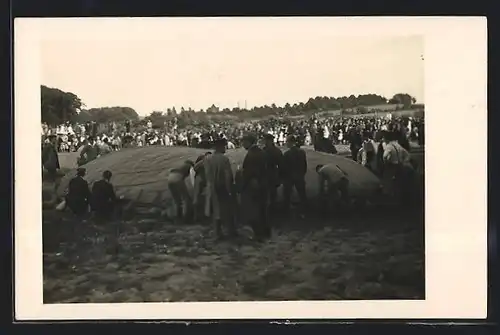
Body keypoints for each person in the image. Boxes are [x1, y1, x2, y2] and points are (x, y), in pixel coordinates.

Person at [204, 138, 236, 239]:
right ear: (220, 147)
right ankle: (229, 231)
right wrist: (229, 189)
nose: (225, 148)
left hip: (211, 185)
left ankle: (217, 232)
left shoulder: (208, 158)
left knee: (215, 209)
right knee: (226, 209)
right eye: (224, 146)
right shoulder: (224, 159)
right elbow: (227, 175)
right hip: (221, 186)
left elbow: (206, 174)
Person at [240, 133, 270, 240]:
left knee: (255, 210)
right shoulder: (261, 152)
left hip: (254, 185)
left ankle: (259, 233)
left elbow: (249, 172)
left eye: (244, 142)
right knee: (263, 208)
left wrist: (243, 185)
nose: (242, 144)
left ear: (249, 142)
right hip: (263, 183)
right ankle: (266, 231)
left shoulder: (251, 154)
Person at [382, 131, 414, 204]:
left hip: (391, 165)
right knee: (398, 182)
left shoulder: (389, 146)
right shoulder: (397, 145)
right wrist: (403, 161)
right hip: (399, 165)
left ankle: (389, 198)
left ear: (387, 139)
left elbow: (385, 156)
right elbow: (407, 154)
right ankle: (399, 197)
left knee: (388, 181)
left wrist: (386, 162)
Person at [282, 135, 308, 218]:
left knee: (287, 194)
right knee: (302, 194)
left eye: (287, 142)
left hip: (290, 176)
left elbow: (285, 167)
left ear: (290, 142)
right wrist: (302, 174)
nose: (286, 143)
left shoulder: (287, 154)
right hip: (299, 175)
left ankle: (287, 211)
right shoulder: (301, 152)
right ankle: (303, 211)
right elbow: (304, 165)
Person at [262, 133, 283, 216]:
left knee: (270, 193)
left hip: (270, 173)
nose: (265, 142)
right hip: (270, 173)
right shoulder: (275, 150)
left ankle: (271, 210)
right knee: (270, 193)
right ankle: (271, 210)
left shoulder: (267, 150)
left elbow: (281, 164)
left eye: (266, 140)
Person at [192, 151, 212, 222]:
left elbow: (195, 168)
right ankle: (201, 215)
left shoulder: (206, 160)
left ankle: (199, 215)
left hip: (203, 178)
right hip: (203, 178)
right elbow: (195, 168)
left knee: (198, 196)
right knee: (202, 197)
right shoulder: (205, 159)